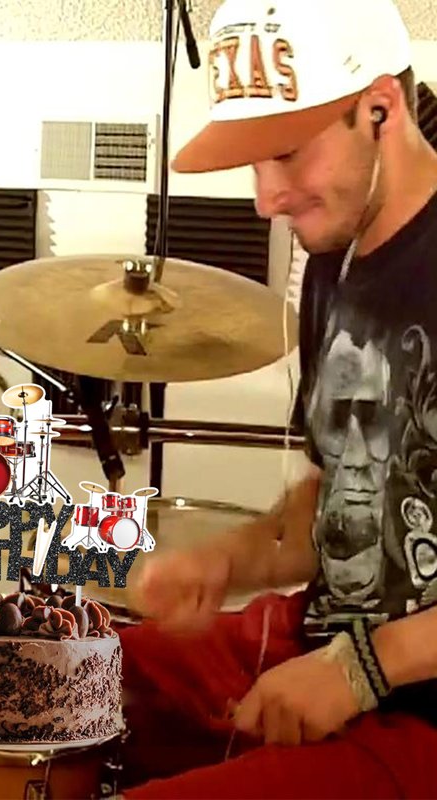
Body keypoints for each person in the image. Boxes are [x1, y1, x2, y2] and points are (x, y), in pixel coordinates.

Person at [117, 0, 437, 796]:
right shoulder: (338, 254)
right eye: (254, 162)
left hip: (421, 711)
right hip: (328, 638)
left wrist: (363, 670)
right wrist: (229, 559)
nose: (266, 199)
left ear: (380, 109)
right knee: (65, 673)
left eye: (288, 154)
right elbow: (343, 497)